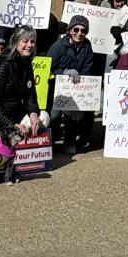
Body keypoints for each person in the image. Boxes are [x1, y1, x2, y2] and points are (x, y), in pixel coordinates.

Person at [0, 27, 43, 184]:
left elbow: (30, 94)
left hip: (16, 115)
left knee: (44, 118)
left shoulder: (26, 63)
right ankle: (8, 161)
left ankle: (21, 160)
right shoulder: (2, 64)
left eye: (32, 41)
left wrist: (33, 113)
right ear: (16, 43)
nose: (29, 45)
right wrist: (11, 124)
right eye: (25, 41)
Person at [47, 16, 95, 154]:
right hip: (56, 88)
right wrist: (64, 72)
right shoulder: (58, 46)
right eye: (76, 29)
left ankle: (69, 142)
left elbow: (87, 71)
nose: (79, 33)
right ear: (70, 30)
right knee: (54, 116)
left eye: (83, 31)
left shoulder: (87, 46)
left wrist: (81, 99)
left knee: (73, 115)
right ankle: (52, 139)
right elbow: (49, 68)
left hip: (77, 87)